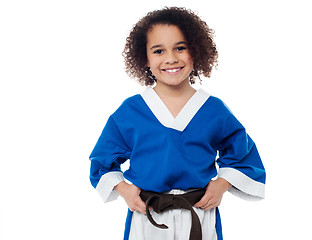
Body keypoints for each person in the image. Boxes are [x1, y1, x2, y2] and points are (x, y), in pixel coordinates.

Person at [89, 7, 266, 240]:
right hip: (148, 217)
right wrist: (125, 190)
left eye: (180, 48)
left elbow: (244, 155)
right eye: (159, 50)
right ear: (145, 58)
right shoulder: (130, 111)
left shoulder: (213, 109)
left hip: (199, 214)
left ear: (197, 50)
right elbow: (101, 162)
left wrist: (221, 185)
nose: (171, 58)